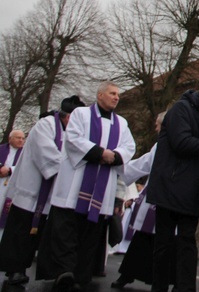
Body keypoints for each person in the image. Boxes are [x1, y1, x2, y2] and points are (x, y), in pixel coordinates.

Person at [36, 82, 136, 292]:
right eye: (112, 93)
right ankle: (64, 271)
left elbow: (129, 147)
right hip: (75, 183)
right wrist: (100, 153)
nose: (116, 97)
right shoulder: (81, 114)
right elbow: (72, 139)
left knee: (90, 234)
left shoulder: (122, 123)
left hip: (102, 189)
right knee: (67, 232)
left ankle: (81, 274)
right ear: (100, 95)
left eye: (118, 94)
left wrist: (114, 156)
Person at [148, 80, 199, 292]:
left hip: (193, 191)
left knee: (186, 243)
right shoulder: (180, 110)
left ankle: (185, 288)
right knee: (164, 243)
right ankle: (160, 287)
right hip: (170, 187)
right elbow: (182, 143)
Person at [0, 96, 85, 286]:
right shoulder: (45, 126)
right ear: (67, 116)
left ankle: (52, 271)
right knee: (21, 230)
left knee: (47, 233)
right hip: (31, 189)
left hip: (53, 191)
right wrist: (71, 172)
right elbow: (47, 154)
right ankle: (15, 269)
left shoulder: (74, 131)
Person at [111, 112, 172, 289]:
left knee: (161, 243)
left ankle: (159, 281)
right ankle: (128, 274)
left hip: (167, 198)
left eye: (157, 125)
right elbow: (144, 163)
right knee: (143, 240)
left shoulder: (171, 144)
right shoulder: (159, 145)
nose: (156, 128)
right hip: (154, 197)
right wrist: (120, 169)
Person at [0, 129, 26, 240]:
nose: (21, 140)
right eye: (18, 137)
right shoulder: (1, 149)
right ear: (10, 138)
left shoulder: (26, 153)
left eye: (23, 138)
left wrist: (10, 170)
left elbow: (26, 167)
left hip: (12, 187)